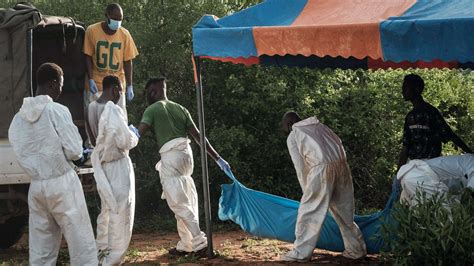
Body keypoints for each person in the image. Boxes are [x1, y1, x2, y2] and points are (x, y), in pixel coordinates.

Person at [8, 63, 97, 265]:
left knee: (41, 248)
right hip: (62, 183)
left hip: (37, 187)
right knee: (80, 241)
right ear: (53, 83)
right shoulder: (57, 111)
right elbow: (75, 150)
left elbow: (21, 152)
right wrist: (81, 153)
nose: (60, 90)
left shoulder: (17, 120)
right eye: (60, 85)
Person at [137, 77, 231, 256]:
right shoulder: (181, 108)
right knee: (185, 198)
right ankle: (186, 245)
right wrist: (218, 159)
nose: (147, 96)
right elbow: (199, 137)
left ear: (154, 91)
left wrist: (121, 139)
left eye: (148, 93)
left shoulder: (152, 109)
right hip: (187, 156)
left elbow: (138, 134)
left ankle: (200, 242)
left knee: (178, 202)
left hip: (171, 156)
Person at [280, 111, 366, 262]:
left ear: (288, 124)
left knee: (309, 212)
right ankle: (356, 249)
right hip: (342, 166)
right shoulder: (322, 127)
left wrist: (308, 191)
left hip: (321, 170)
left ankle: (301, 253)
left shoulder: (294, 135)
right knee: (345, 211)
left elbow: (301, 168)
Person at [88, 75, 139, 264]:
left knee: (107, 211)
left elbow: (93, 139)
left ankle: (101, 253)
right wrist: (134, 134)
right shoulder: (114, 110)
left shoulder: (92, 107)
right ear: (117, 89)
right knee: (121, 212)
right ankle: (113, 259)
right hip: (117, 166)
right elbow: (124, 141)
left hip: (102, 166)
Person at [397, 74, 472, 170]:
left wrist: (470, 154)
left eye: (405, 87)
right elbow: (405, 147)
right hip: (414, 166)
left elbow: (450, 136)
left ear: (417, 89)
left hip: (432, 166)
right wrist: (399, 174)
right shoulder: (410, 117)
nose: (402, 91)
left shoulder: (431, 113)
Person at [83, 2, 139, 114]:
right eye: (114, 19)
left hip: (116, 87)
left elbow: (128, 61)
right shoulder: (92, 30)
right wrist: (90, 79)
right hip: (96, 85)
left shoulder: (125, 34)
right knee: (93, 119)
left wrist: (129, 86)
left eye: (120, 19)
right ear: (107, 15)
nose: (117, 22)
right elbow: (87, 56)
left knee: (118, 121)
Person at [397, 154, 474, 207]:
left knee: (418, 210)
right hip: (420, 177)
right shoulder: (471, 159)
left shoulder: (466, 159)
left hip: (412, 176)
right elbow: (468, 192)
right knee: (444, 212)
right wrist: (468, 192)